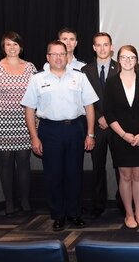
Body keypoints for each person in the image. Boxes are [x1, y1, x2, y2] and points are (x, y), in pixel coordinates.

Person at [22, 40, 97, 231]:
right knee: (53, 175)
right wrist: (34, 137)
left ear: (67, 56)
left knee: (74, 174)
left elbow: (89, 106)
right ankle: (58, 215)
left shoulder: (79, 77)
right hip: (49, 130)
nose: (58, 57)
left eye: (61, 54)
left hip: (75, 129)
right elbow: (29, 110)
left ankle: (74, 213)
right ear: (48, 57)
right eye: (53, 54)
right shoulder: (37, 79)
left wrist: (90, 133)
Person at [0, 32, 37, 216]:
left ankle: (25, 201)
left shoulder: (30, 67)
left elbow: (37, 94)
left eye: (15, 44)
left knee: (23, 161)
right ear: (3, 47)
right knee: (5, 162)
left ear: (20, 47)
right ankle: (8, 202)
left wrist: (36, 119)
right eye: (8, 44)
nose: (12, 48)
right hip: (1, 120)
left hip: (25, 120)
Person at [103, 45, 139, 229]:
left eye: (131, 57)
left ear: (136, 60)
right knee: (125, 176)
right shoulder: (111, 82)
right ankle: (129, 214)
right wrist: (124, 135)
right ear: (118, 59)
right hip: (120, 137)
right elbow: (109, 114)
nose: (128, 60)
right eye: (124, 57)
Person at [82, 32, 119, 219]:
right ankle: (98, 203)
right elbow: (84, 99)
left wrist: (110, 118)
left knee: (121, 167)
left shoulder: (121, 68)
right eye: (99, 45)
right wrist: (99, 117)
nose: (103, 48)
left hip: (119, 126)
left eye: (106, 45)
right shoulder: (85, 71)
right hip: (96, 126)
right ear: (94, 48)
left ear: (111, 47)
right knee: (98, 167)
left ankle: (123, 202)